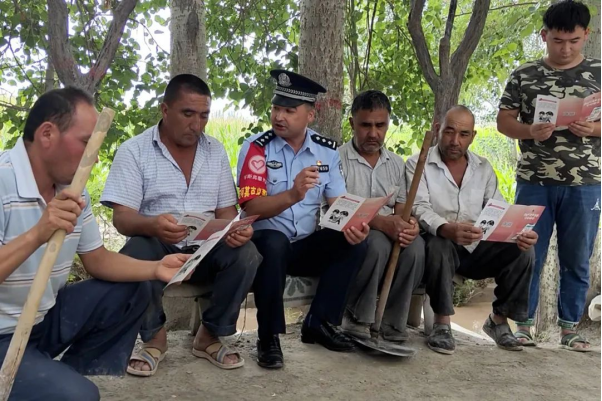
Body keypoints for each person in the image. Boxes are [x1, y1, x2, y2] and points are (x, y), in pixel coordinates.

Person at [0, 88, 190, 401]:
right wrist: (37, 233)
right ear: (47, 134)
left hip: (41, 321)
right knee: (80, 397)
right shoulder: (3, 181)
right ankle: (43, 381)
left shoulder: (74, 191)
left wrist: (157, 268)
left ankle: (46, 375)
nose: (96, 157)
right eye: (87, 143)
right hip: (4, 334)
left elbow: (97, 259)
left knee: (136, 288)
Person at [101, 74, 262, 375]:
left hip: (205, 248)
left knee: (247, 253)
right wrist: (153, 225)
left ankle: (209, 336)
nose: (196, 124)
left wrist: (237, 229)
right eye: (188, 114)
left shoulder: (214, 151)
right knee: (135, 252)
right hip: (159, 247)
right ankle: (154, 339)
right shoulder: (135, 151)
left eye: (203, 116)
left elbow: (227, 211)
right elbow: (121, 218)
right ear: (165, 110)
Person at [237, 69, 370, 369]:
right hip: (265, 247)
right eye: (276, 108)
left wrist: (354, 225)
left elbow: (338, 203)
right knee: (273, 242)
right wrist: (292, 194)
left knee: (353, 242)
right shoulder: (256, 148)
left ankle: (318, 323)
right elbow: (250, 207)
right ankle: (268, 337)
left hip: (304, 245)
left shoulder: (326, 152)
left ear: (310, 115)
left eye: (289, 110)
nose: (278, 116)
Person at [497, 0, 600, 352]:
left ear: (586, 35)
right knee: (527, 252)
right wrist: (529, 131)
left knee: (577, 256)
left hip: (586, 183)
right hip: (534, 181)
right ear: (544, 36)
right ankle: (523, 324)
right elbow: (504, 121)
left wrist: (593, 129)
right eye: (557, 40)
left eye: (573, 41)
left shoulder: (599, 72)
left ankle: (570, 329)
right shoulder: (524, 75)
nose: (565, 48)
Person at [407, 105, 539, 355]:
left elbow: (498, 209)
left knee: (523, 250)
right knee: (438, 243)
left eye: (464, 134)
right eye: (449, 132)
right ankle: (442, 324)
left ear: (473, 136)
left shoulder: (483, 168)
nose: (455, 140)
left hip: (476, 247)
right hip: (438, 247)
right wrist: (446, 228)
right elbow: (419, 207)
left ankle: (498, 320)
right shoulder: (418, 163)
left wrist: (519, 232)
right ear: (438, 129)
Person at [338, 90, 424, 342]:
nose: (373, 133)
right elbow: (338, 208)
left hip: (389, 231)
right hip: (352, 232)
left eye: (380, 125)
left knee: (416, 246)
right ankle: (357, 317)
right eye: (365, 125)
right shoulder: (337, 159)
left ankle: (393, 322)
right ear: (352, 123)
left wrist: (409, 225)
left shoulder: (396, 163)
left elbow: (401, 210)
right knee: (376, 243)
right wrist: (382, 223)